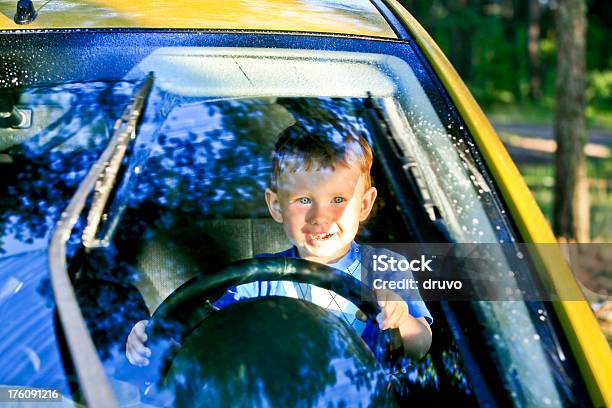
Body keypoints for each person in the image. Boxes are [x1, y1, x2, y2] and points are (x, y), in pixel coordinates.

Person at [126, 122, 432, 366]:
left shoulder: (386, 268)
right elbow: (205, 333)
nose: (319, 217)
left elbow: (422, 344)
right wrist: (153, 337)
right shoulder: (262, 276)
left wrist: (401, 319)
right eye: (303, 200)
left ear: (365, 204)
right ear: (276, 206)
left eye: (338, 200)